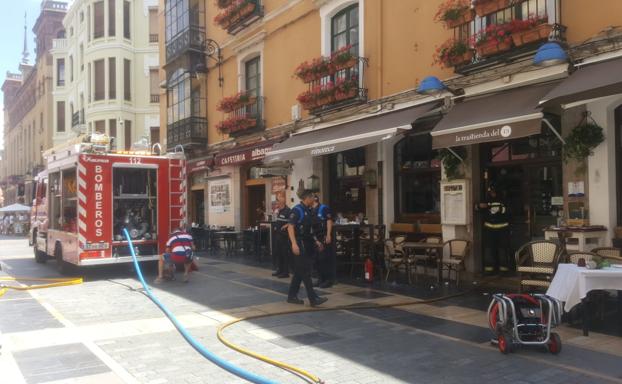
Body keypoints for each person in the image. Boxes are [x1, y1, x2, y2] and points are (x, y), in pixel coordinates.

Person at [286, 190, 328, 307]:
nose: (314, 200)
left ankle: (291, 296)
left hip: (307, 243)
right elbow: (290, 227)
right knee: (305, 271)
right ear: (307, 198)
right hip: (299, 243)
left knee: (300, 272)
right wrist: (294, 244)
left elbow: (309, 230)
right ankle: (313, 298)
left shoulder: (308, 211)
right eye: (313, 198)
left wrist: (316, 241)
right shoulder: (297, 210)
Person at [478, 184, 510, 275]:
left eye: (493, 191)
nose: (492, 193)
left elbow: (510, 211)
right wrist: (480, 206)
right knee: (489, 250)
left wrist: (500, 209)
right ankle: (489, 270)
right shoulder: (486, 199)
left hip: (502, 230)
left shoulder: (504, 200)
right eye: (490, 192)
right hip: (489, 230)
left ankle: (504, 270)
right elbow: (478, 209)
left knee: (502, 250)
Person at [312, 195, 335, 288]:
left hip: (324, 236)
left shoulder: (324, 208)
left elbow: (329, 221)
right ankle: (320, 278)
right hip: (315, 237)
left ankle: (328, 280)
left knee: (324, 258)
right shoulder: (310, 210)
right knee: (317, 259)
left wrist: (329, 234)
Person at [271, 202, 291, 278]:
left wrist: (286, 225)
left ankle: (285, 272)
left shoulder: (288, 210)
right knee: (278, 253)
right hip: (278, 235)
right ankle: (280, 270)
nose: (276, 204)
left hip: (284, 236)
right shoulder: (279, 211)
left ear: (282, 202)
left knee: (284, 254)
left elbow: (291, 221)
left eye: (278, 203)